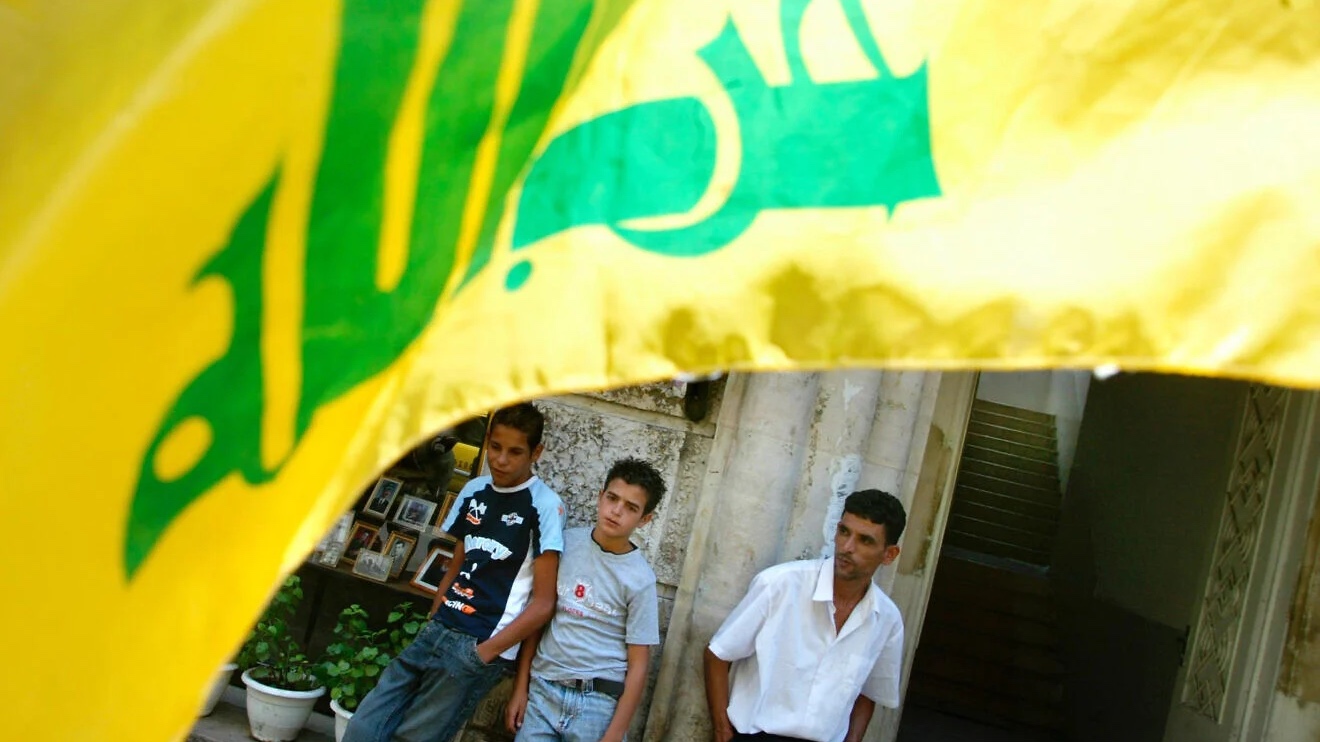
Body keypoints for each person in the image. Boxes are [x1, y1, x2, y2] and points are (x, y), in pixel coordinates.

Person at [345, 403, 564, 742]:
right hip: (439, 627)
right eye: (495, 447)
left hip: (479, 642)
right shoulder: (474, 489)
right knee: (363, 727)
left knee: (415, 738)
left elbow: (543, 603)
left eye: (515, 452)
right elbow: (456, 561)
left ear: (536, 452)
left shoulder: (545, 506)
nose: (501, 459)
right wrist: (435, 614)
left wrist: (485, 653)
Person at [703, 489, 907, 742]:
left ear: (889, 554)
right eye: (844, 531)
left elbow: (868, 693)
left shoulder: (887, 619)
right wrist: (723, 732)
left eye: (865, 540)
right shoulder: (780, 584)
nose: (847, 547)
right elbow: (718, 654)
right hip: (758, 734)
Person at [505, 458, 665, 742]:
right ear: (599, 497)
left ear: (645, 520)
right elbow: (538, 618)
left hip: (598, 704)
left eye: (631, 508)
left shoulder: (641, 580)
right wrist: (521, 688)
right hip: (543, 689)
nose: (616, 511)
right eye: (612, 498)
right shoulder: (565, 543)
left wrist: (615, 734)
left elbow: (639, 664)